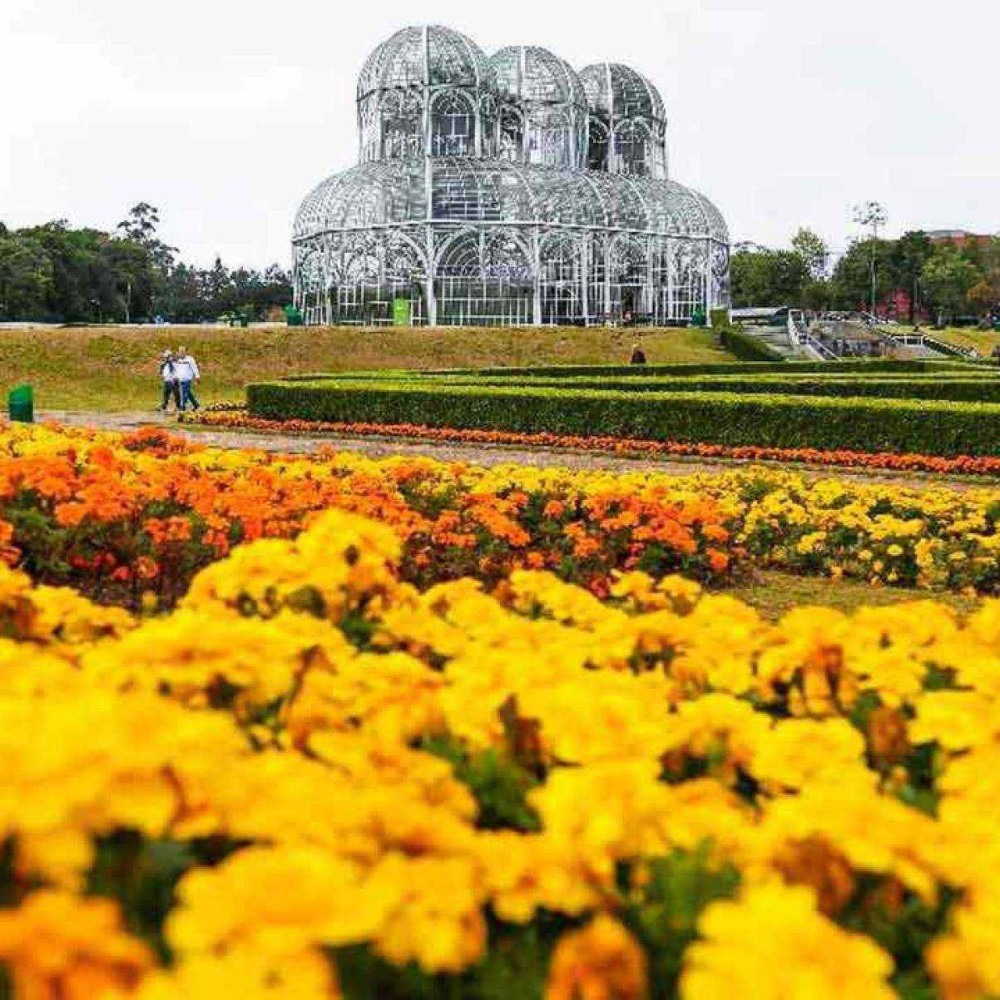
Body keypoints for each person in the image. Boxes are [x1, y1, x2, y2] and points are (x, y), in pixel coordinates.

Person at [174, 346, 201, 411]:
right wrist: (175, 376)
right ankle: (196, 404)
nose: (181, 353)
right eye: (180, 351)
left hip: (187, 379)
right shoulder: (178, 360)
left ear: (186, 352)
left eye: (183, 351)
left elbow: (194, 368)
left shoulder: (190, 359)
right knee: (188, 393)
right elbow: (176, 369)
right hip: (180, 379)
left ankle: (182, 406)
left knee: (184, 392)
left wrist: (197, 376)